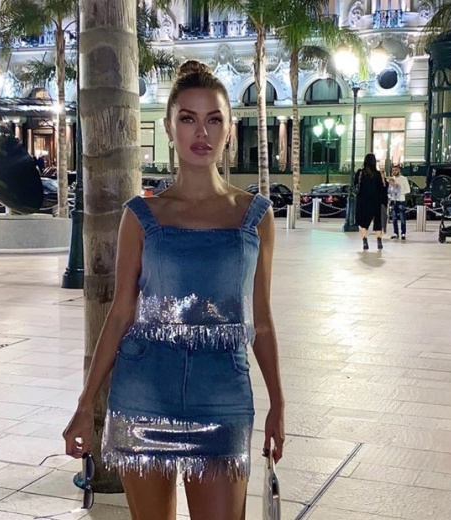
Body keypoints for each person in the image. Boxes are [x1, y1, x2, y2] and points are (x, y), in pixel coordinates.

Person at [62, 60, 285, 520]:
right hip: (144, 393)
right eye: (188, 118)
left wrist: (278, 403)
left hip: (223, 393)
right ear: (168, 127)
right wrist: (85, 404)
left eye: (214, 119)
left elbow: (261, 321)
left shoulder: (255, 216)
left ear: (230, 129)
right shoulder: (142, 216)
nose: (201, 132)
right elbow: (120, 315)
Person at [354, 153, 387, 250]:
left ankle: (365, 241)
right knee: (377, 222)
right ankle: (379, 241)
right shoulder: (378, 174)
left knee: (363, 223)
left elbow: (355, 184)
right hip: (375, 201)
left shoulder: (360, 172)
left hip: (363, 201)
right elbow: (382, 188)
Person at [389, 165, 410, 240]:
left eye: (395, 170)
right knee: (394, 218)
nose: (394, 172)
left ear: (399, 170)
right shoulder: (391, 179)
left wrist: (399, 192)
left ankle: (403, 233)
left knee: (402, 217)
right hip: (393, 200)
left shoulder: (404, 179)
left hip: (401, 200)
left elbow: (408, 190)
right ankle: (396, 233)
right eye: (393, 170)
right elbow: (389, 190)